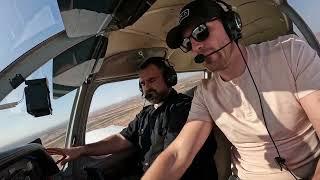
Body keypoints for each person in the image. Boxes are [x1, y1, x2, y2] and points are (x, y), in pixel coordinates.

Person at [142, 0, 320, 180]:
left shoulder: (290, 53)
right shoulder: (205, 94)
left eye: (201, 32)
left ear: (231, 25)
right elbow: (178, 154)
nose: (196, 47)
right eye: (188, 43)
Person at [47, 57, 218, 180]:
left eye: (151, 80)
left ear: (169, 79)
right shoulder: (145, 114)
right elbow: (121, 139)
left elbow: (174, 160)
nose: (146, 88)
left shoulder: (184, 108)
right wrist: (82, 150)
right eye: (142, 83)